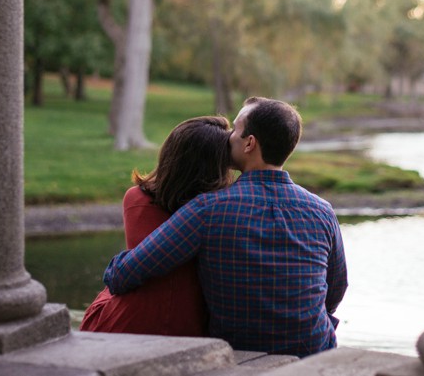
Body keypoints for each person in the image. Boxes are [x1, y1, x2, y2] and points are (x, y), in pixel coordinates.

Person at [104, 97, 348, 357]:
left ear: (249, 143)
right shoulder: (322, 210)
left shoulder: (208, 209)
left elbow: (124, 275)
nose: (227, 137)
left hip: (243, 357)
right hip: (315, 354)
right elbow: (336, 289)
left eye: (235, 129)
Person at [80, 115, 233, 336]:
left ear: (171, 153)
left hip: (122, 323)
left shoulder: (137, 199)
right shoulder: (222, 210)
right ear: (220, 165)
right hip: (188, 327)